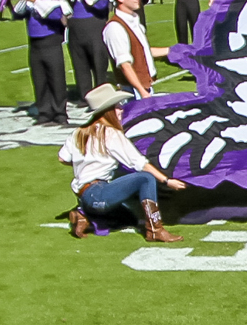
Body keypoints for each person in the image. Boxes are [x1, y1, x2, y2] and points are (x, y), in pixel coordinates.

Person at [58, 84, 187, 241]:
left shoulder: (78, 132)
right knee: (145, 178)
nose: (121, 109)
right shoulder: (111, 134)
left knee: (128, 219)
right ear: (108, 111)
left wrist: (85, 164)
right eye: (116, 106)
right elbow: (140, 163)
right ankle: (155, 229)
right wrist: (167, 180)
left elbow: (63, 158)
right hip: (98, 194)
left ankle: (84, 215)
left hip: (85, 195)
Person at [101, 0, 174, 96]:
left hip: (144, 87)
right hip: (133, 90)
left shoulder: (134, 21)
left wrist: (174, 50)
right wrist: (141, 92)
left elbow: (143, 51)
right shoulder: (115, 27)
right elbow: (125, 65)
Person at [11, 0, 69, 125]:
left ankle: (60, 112)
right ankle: (44, 112)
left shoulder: (56, 3)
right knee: (39, 79)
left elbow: (53, 16)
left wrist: (36, 1)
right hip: (35, 44)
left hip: (51, 43)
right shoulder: (31, 4)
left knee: (56, 79)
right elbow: (16, 14)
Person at [59, 0, 111, 104]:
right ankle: (84, 96)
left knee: (98, 63)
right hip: (75, 27)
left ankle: (101, 95)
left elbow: (99, 5)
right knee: (79, 63)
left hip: (94, 26)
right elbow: (60, 2)